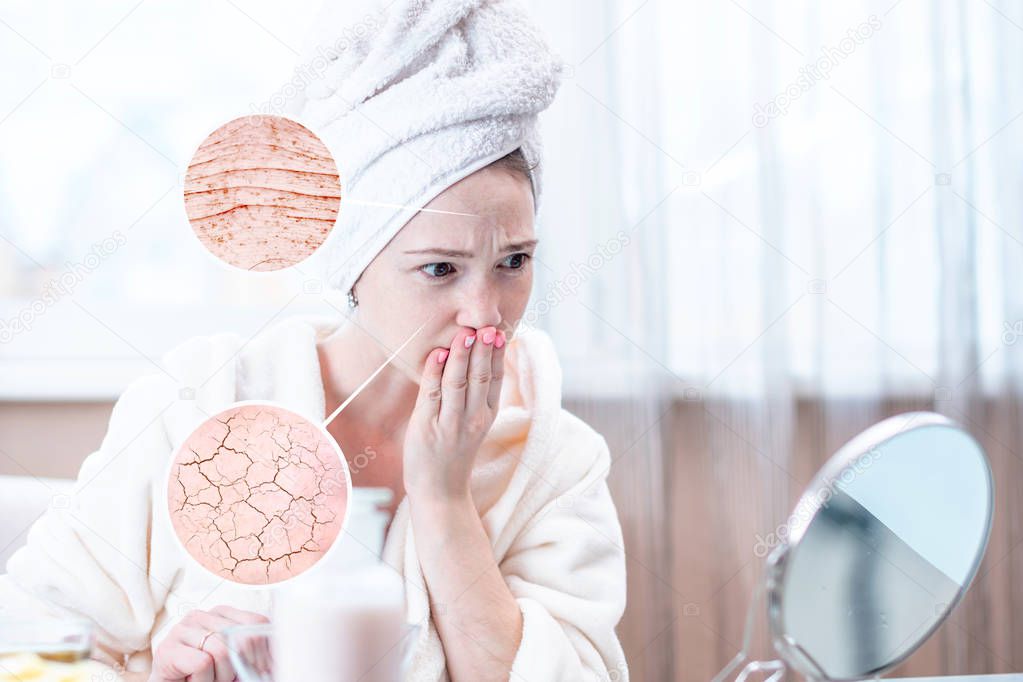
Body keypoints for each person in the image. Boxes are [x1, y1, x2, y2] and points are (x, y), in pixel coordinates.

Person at [1, 1, 630, 680]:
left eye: (513, 261)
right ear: (353, 261)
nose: (484, 313)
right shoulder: (203, 405)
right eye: (439, 268)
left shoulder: (554, 463)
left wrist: (443, 497)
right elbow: (28, 642)